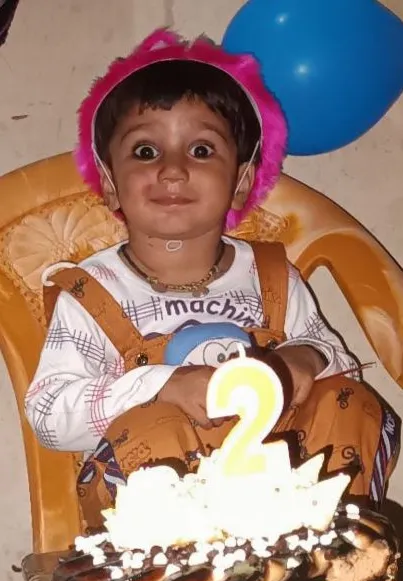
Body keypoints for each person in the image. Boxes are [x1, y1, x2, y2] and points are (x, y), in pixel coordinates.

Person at [25, 28, 400, 530]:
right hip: (162, 537)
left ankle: (337, 547)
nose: (173, 171)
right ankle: (179, 576)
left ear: (242, 180)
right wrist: (161, 385)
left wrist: (302, 358)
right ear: (110, 183)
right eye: (144, 152)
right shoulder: (93, 293)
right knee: (152, 426)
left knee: (349, 401)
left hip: (286, 504)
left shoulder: (270, 276)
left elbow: (343, 365)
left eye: (201, 151)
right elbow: (50, 413)